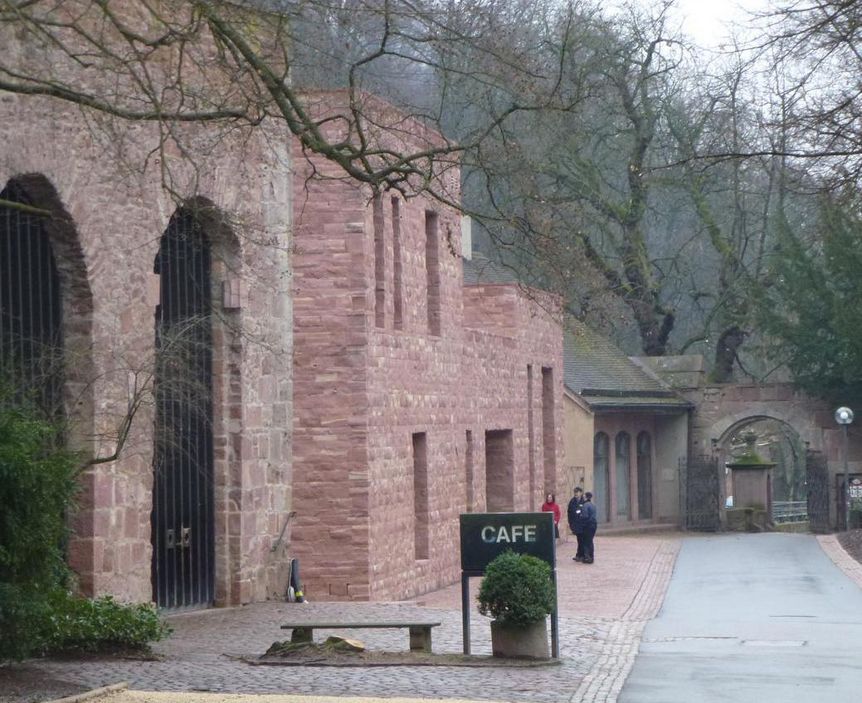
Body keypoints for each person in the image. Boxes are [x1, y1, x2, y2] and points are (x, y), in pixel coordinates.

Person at [567, 487, 585, 561]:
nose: (576, 494)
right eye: (575, 492)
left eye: (577, 492)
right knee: (579, 540)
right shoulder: (572, 501)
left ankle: (582, 555)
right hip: (575, 524)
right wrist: (570, 523)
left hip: (583, 524)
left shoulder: (584, 501)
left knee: (583, 540)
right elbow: (569, 513)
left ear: (581, 493)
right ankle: (579, 555)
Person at [581, 491, 598, 564]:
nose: (583, 497)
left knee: (586, 541)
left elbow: (585, 516)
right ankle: (591, 556)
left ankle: (587, 557)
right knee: (590, 541)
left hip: (587, 525)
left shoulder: (585, 505)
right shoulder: (593, 505)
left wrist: (580, 517)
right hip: (593, 524)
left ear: (586, 497)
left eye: (584, 496)